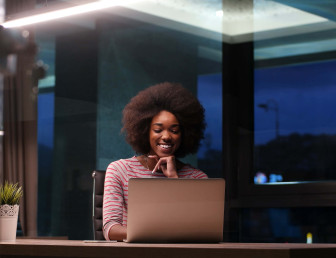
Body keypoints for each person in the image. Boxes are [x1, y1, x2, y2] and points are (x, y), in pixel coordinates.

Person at [102, 82, 208, 241]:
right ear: (144, 131)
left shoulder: (197, 179)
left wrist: (174, 180)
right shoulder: (119, 170)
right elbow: (111, 229)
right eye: (158, 130)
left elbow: (201, 230)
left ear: (184, 134)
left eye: (174, 130)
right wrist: (160, 232)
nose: (166, 136)